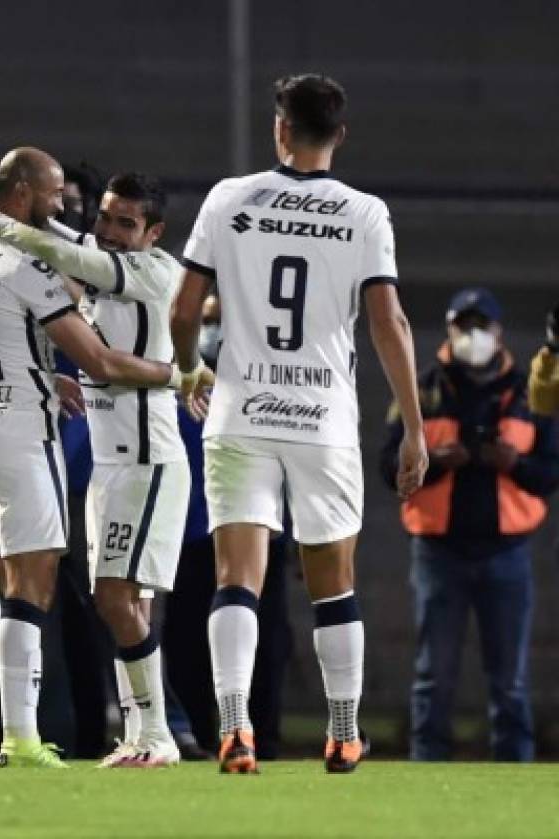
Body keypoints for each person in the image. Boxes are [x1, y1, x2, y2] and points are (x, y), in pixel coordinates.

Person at [170, 73, 429, 774]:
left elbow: (184, 309)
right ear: (339, 135)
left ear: (279, 129)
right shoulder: (365, 213)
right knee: (331, 583)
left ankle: (234, 728)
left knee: (236, 578)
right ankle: (342, 733)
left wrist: (192, 368)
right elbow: (389, 322)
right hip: (323, 417)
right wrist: (414, 423)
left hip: (242, 412)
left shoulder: (230, 198)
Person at [0, 146, 197, 769]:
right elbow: (57, 254)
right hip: (58, 445)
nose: (100, 226)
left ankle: (153, 732)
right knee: (86, 595)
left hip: (144, 458)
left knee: (112, 600)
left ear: (154, 233)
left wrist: (182, 375)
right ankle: (104, 736)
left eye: (122, 222)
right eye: (100, 215)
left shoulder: (156, 270)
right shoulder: (56, 260)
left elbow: (47, 247)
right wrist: (179, 374)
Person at [381, 288, 559, 761]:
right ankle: (426, 771)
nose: (473, 335)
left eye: (482, 325)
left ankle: (515, 774)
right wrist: (434, 461)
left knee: (510, 680)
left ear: (499, 332)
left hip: (507, 552)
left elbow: (549, 473)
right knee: (432, 676)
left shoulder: (529, 394)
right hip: (439, 552)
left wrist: (512, 463)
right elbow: (386, 468)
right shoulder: (422, 390)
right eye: (464, 325)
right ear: (449, 329)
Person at [163, 293, 294, 760]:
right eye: (207, 320)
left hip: (258, 527)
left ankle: (264, 737)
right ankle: (202, 736)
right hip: (190, 532)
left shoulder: (262, 375)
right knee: (187, 644)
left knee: (265, 641)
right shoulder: (177, 379)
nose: (212, 330)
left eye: (220, 320)